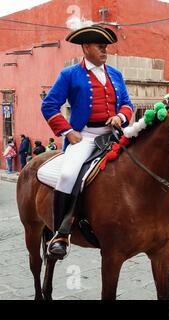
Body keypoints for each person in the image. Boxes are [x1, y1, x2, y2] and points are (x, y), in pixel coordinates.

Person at [41, 25, 134, 259]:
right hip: (85, 136)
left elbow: (127, 104)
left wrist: (120, 116)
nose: (105, 50)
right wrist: (68, 132)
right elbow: (49, 105)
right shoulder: (69, 74)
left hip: (113, 134)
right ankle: (60, 234)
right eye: (99, 45)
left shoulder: (116, 74)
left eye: (106, 46)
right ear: (85, 47)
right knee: (68, 174)